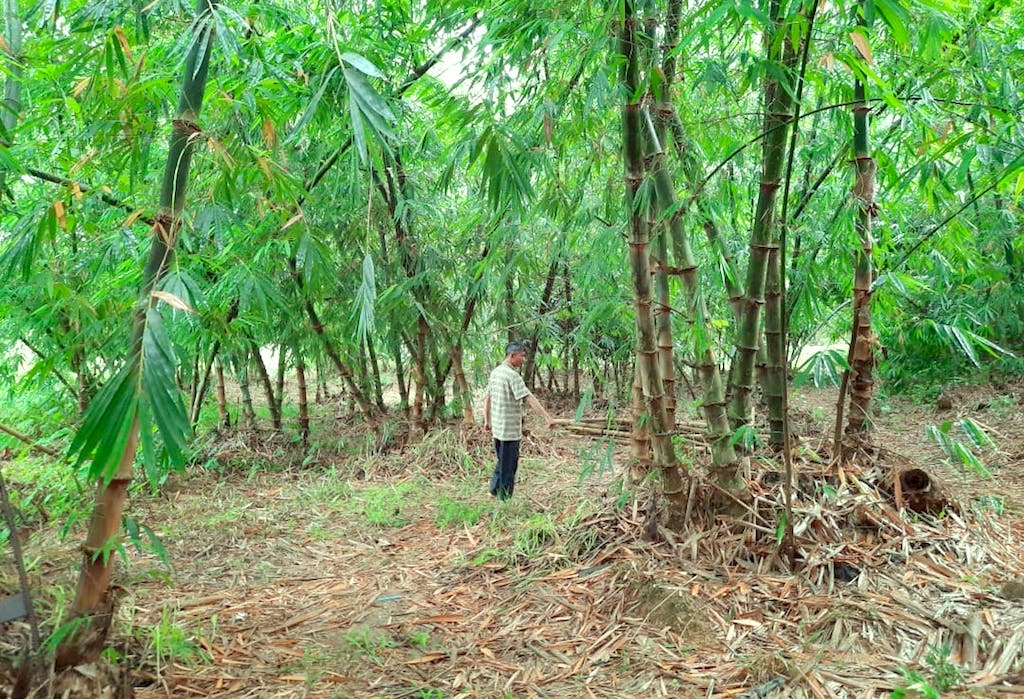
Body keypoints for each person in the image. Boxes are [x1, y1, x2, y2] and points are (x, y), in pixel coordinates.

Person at [483, 341, 555, 500]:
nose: (523, 360)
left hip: (498, 428)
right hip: (509, 430)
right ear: (512, 355)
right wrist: (546, 417)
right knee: (509, 465)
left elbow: (487, 398)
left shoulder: (496, 372)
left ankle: (493, 490)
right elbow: (528, 397)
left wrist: (487, 421)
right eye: (522, 356)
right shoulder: (512, 375)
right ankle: (505, 499)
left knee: (502, 460)